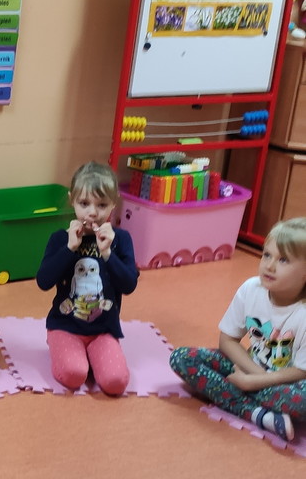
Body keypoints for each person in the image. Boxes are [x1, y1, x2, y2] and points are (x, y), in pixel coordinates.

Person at [169, 217, 306, 441]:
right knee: (182, 358)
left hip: (288, 384)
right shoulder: (251, 289)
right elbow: (228, 340)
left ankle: (243, 402)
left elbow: (301, 371)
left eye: (283, 260)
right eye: (267, 255)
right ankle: (259, 414)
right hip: (250, 368)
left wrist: (253, 382)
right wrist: (254, 374)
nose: (269, 265)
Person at [36, 162, 138, 395]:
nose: (92, 212)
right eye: (84, 203)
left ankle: (94, 355)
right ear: (72, 200)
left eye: (101, 205)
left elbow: (129, 285)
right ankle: (64, 348)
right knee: (74, 375)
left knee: (115, 383)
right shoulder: (60, 239)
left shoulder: (121, 239)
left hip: (104, 330)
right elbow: (43, 281)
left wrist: (107, 254)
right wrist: (69, 248)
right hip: (65, 326)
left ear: (113, 203)